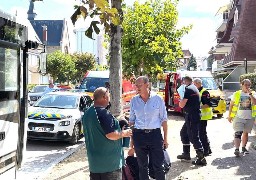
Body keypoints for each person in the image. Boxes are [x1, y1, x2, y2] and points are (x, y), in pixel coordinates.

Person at [82, 87, 132, 180]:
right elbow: (111, 135)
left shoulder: (87, 113)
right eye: (108, 96)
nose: (109, 99)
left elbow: (98, 130)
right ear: (104, 97)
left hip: (94, 163)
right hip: (110, 164)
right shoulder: (103, 113)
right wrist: (124, 133)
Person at [129, 76, 168, 180]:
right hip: (139, 135)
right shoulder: (134, 101)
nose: (137, 88)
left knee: (158, 166)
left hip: (154, 135)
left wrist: (165, 139)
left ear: (147, 85)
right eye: (136, 85)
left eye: (139, 85)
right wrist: (131, 143)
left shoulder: (158, 99)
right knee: (142, 167)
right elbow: (132, 121)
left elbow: (164, 120)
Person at [177, 76, 207, 166]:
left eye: (182, 82)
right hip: (192, 115)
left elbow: (182, 105)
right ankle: (186, 154)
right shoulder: (194, 88)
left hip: (191, 116)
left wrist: (180, 101)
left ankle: (201, 158)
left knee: (194, 137)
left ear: (185, 81)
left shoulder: (188, 89)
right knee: (184, 133)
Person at [228, 79, 256, 157]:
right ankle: (237, 149)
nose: (247, 86)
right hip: (238, 117)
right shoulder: (237, 94)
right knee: (238, 132)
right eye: (245, 85)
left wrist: (250, 94)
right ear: (241, 85)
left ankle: (243, 147)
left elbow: (255, 103)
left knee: (245, 133)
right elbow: (231, 105)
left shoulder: (253, 93)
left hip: (249, 118)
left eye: (249, 85)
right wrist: (229, 116)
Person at [193, 78, 213, 156]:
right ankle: (208, 149)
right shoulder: (197, 91)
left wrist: (197, 107)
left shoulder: (204, 92)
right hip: (200, 116)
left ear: (198, 83)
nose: (193, 86)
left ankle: (206, 150)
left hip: (203, 116)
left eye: (194, 84)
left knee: (201, 134)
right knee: (202, 133)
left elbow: (208, 104)